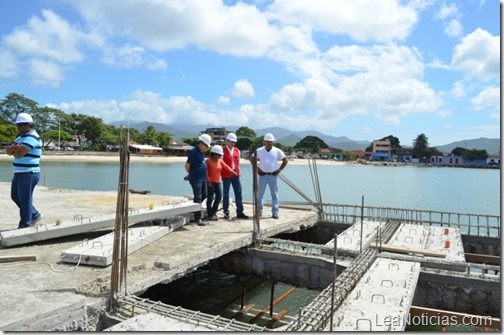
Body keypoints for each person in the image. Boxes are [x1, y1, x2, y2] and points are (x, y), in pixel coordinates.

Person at [6, 113, 43, 229]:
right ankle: (35, 215)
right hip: (19, 172)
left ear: (27, 125)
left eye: (20, 125)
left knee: (25, 199)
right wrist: (13, 150)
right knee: (15, 196)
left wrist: (15, 150)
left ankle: (25, 225)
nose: (18, 128)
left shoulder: (32, 137)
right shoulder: (20, 137)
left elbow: (18, 154)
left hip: (29, 172)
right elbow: (8, 152)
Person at [249, 133, 288, 219]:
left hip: (273, 176)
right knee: (260, 194)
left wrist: (279, 170)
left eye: (271, 141)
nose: (270, 143)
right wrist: (257, 168)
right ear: (265, 142)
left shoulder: (277, 151)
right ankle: (259, 211)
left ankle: (275, 212)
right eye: (268, 141)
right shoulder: (259, 150)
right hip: (262, 175)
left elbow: (285, 160)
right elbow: (251, 158)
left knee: (274, 194)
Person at [185, 134, 211, 226]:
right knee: (198, 197)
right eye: (207, 146)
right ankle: (198, 218)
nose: (207, 148)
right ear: (202, 144)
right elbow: (187, 166)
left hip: (202, 178)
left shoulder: (201, 152)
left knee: (205, 195)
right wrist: (191, 174)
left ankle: (194, 209)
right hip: (196, 179)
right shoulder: (194, 152)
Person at [221, 133, 249, 220]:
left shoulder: (237, 150)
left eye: (234, 142)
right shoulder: (222, 151)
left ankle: (240, 212)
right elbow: (221, 163)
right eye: (232, 141)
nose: (233, 143)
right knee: (226, 194)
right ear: (227, 141)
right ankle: (226, 212)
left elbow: (238, 162)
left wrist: (236, 171)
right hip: (226, 175)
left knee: (239, 193)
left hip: (236, 175)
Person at [205, 145, 235, 221]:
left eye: (221, 155)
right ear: (214, 154)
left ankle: (213, 212)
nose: (220, 156)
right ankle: (210, 214)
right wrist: (208, 180)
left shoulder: (220, 161)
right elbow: (205, 172)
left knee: (219, 197)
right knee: (210, 198)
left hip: (218, 182)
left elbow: (226, 167)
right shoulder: (208, 161)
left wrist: (232, 171)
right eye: (219, 155)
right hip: (210, 182)